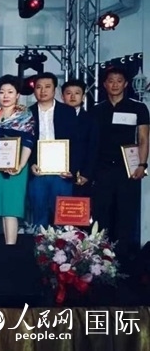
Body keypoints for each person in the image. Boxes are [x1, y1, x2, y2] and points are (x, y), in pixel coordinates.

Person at [91, 67, 149, 260]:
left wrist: (142, 165)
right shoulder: (97, 110)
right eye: (111, 81)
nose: (114, 84)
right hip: (102, 168)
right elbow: (91, 141)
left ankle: (123, 260)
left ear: (126, 84)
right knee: (102, 212)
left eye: (119, 81)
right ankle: (100, 258)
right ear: (104, 84)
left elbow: (143, 138)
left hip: (128, 169)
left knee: (126, 213)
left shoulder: (138, 108)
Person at [28, 72, 80, 227]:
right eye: (39, 87)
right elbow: (24, 142)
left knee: (63, 217)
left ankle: (63, 243)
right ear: (34, 90)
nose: (43, 90)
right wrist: (31, 164)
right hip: (38, 171)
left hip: (62, 172)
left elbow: (76, 142)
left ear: (54, 89)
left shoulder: (68, 111)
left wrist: (72, 168)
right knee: (39, 216)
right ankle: (40, 243)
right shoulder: (27, 112)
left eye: (47, 86)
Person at [0, 75, 35, 245]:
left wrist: (20, 165)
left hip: (17, 168)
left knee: (11, 209)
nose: (6, 96)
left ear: (17, 95)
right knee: (2, 209)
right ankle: (7, 245)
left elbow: (28, 142)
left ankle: (11, 248)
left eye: (10, 92)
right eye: (2, 92)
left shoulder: (24, 115)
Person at [61, 79, 98, 195]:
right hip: (57, 174)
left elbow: (93, 147)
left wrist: (86, 174)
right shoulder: (54, 118)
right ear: (62, 97)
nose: (72, 96)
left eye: (77, 93)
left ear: (83, 97)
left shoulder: (91, 119)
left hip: (81, 175)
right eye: (68, 93)